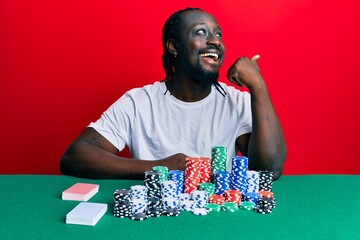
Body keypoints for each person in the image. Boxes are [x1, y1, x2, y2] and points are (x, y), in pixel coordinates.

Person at [60, 7, 287, 180]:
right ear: (173, 47)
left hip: (216, 218)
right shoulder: (139, 102)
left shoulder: (236, 102)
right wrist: (162, 168)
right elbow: (75, 157)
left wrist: (258, 86)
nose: (215, 41)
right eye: (201, 32)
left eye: (218, 34)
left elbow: (270, 170)